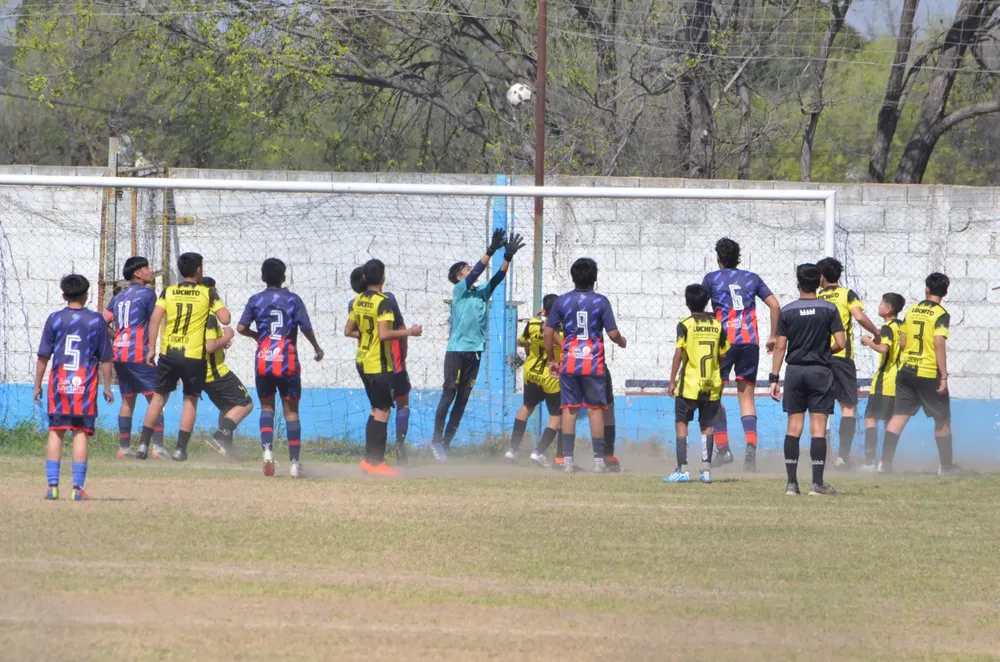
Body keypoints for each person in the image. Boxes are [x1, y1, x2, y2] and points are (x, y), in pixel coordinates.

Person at [431, 229, 525, 461]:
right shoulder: (460, 290)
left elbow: (498, 278)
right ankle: (435, 440)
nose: (469, 270)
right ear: (458, 277)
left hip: (475, 352)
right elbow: (477, 271)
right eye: (465, 269)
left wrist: (507, 257)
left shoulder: (481, 294)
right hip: (457, 351)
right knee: (449, 394)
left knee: (462, 400)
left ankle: (446, 444)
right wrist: (491, 250)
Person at [136, 252, 229, 461]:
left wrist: (151, 348)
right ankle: (180, 450)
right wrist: (214, 298)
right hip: (194, 355)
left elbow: (154, 320)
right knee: (189, 401)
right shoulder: (207, 293)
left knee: (158, 398)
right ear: (198, 270)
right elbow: (225, 318)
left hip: (169, 352)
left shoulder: (168, 291)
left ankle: (142, 446)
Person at [237, 258, 324, 478]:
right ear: (284, 276)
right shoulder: (293, 299)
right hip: (287, 361)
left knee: (267, 408)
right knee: (292, 412)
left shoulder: (255, 299)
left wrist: (258, 335)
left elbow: (240, 327)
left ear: (263, 276)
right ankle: (294, 464)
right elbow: (306, 328)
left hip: (264, 360)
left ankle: (267, 452)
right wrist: (317, 348)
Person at [703, 238, 780, 472]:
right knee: (747, 397)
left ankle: (723, 449)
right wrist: (773, 335)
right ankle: (750, 450)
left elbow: (698, 305)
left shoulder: (711, 279)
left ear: (718, 258)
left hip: (723, 343)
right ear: (738, 257)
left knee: (713, 396)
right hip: (749, 343)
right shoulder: (751, 278)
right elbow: (775, 306)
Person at [34, 274, 114, 500]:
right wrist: (107, 387)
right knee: (80, 432)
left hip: (59, 383)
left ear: (63, 295)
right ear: (87, 295)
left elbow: (43, 356)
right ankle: (77, 489)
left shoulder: (55, 319)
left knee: (56, 431)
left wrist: (37, 385)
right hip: (85, 386)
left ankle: (52, 486)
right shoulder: (96, 321)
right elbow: (106, 358)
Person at [769, 263, 846, 496]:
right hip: (820, 371)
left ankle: (791, 484)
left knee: (793, 427)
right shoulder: (829, 309)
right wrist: (824, 351)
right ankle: (817, 484)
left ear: (798, 283)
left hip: (794, 372)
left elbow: (780, 346)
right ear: (820, 281)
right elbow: (841, 343)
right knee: (818, 429)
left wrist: (774, 378)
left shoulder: (788, 311)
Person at [544, 257, 627, 474]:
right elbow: (613, 333)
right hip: (593, 363)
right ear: (595, 278)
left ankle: (567, 461)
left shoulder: (561, 301)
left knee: (569, 410)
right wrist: (622, 341)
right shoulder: (601, 301)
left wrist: (552, 359)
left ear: (573, 277)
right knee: (595, 409)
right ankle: (599, 462)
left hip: (570, 362)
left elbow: (548, 332)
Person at [345, 259, 422, 476]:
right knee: (383, 411)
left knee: (375, 409)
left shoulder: (358, 300)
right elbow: (385, 334)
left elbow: (348, 330)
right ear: (383, 277)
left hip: (362, 361)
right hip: (378, 364)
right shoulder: (384, 301)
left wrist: (367, 335)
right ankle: (377, 463)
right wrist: (410, 332)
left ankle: (368, 461)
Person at [880, 273, 955, 474]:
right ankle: (946, 467)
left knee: (899, 415)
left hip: (906, 371)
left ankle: (885, 464)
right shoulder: (941, 314)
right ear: (945, 292)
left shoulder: (912, 310)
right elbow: (939, 343)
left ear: (926, 290)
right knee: (942, 419)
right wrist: (944, 376)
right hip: (928, 372)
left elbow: (903, 342)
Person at [816, 257, 881, 469]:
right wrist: (876, 331)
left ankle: (819, 457)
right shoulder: (847, 294)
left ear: (822, 277)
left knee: (820, 408)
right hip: (842, 357)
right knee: (848, 407)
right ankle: (842, 457)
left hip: (820, 359)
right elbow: (859, 317)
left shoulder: (817, 297)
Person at [664, 284, 730, 484]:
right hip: (711, 385)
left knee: (682, 422)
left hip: (689, 384)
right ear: (706, 302)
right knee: (706, 425)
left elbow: (679, 353)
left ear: (687, 302)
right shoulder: (718, 325)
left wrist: (672, 380)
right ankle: (706, 471)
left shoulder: (685, 324)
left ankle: (683, 469)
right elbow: (723, 353)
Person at [103, 256, 167, 459]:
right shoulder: (148, 294)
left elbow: (102, 321)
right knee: (156, 398)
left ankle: (124, 448)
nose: (151, 270)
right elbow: (154, 321)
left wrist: (117, 337)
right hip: (138, 352)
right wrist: (151, 349)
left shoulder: (119, 296)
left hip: (119, 353)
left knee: (127, 400)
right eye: (147, 267)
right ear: (137, 273)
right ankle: (157, 447)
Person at [505, 294, 561, 468]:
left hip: (531, 373)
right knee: (556, 417)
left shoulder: (533, 323)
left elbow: (521, 342)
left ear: (544, 309)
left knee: (526, 407)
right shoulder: (563, 329)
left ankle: (512, 450)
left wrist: (531, 343)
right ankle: (538, 452)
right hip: (551, 376)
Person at [200, 277, 255, 456]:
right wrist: (226, 336)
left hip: (201, 374)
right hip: (216, 373)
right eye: (214, 291)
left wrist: (221, 343)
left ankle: (226, 451)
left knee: (227, 408)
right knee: (245, 404)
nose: (216, 295)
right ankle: (219, 436)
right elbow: (209, 347)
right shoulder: (208, 317)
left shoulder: (193, 316)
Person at [859, 293, 905, 471]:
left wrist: (868, 341)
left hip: (884, 380)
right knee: (889, 421)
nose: (878, 306)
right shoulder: (901, 326)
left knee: (870, 417)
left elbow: (884, 349)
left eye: (881, 303)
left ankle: (870, 462)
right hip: (898, 381)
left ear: (888, 309)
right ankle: (886, 463)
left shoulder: (887, 327)